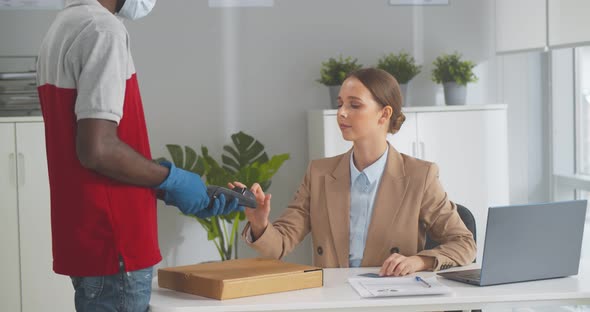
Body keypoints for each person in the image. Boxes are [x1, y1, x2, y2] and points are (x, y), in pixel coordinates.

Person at [36, 0, 242, 310]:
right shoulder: (102, 29)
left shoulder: (62, 27)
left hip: (90, 236)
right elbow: (98, 150)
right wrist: (174, 179)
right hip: (116, 241)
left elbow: (92, 147)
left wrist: (165, 185)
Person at [231, 68, 476, 277]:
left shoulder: (420, 176)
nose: (342, 113)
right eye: (340, 104)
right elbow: (280, 245)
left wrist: (418, 261)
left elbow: (464, 244)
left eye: (354, 105)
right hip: (336, 301)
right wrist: (260, 224)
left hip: (393, 302)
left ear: (384, 113)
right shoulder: (319, 174)